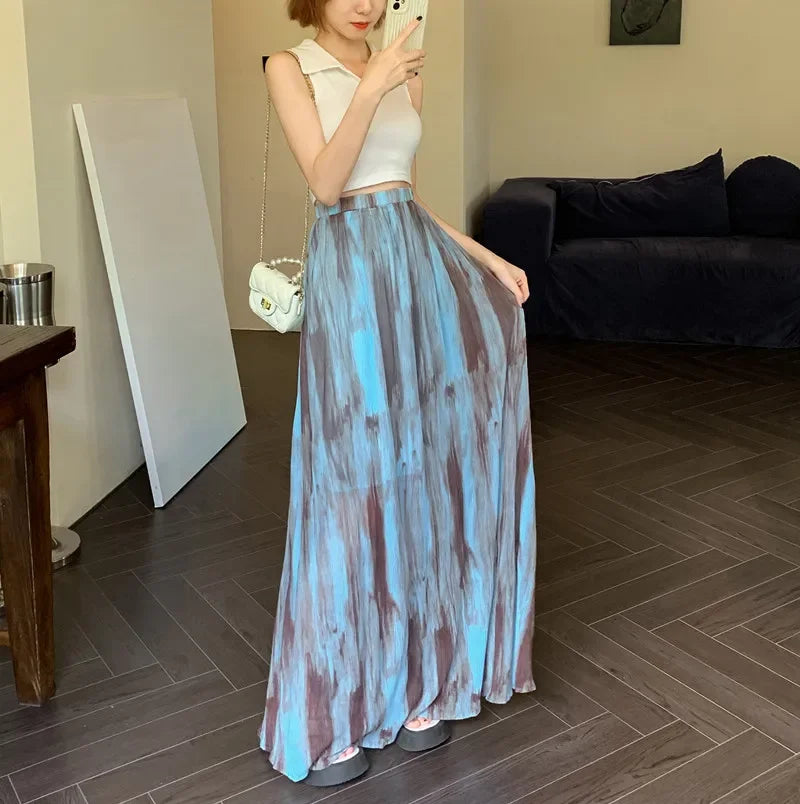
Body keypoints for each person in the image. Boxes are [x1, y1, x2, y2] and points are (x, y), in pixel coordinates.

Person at [259, 0, 538, 787]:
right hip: (352, 281)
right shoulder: (289, 67)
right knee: (352, 484)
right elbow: (327, 184)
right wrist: (373, 82)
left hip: (414, 274)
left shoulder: (404, 67)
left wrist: (483, 256)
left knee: (421, 473)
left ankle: (419, 682)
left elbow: (401, 195)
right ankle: (332, 706)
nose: (367, 4)